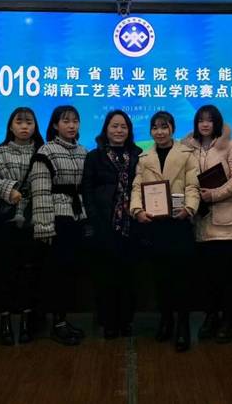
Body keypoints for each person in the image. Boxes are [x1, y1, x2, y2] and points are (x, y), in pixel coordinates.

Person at [130, 111, 200, 352]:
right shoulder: (144, 157)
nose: (159, 132)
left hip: (179, 224)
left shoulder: (186, 153)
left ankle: (183, 325)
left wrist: (189, 208)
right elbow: (137, 187)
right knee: (161, 277)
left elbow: (193, 186)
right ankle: (166, 320)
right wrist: (137, 210)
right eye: (155, 127)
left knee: (181, 278)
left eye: (164, 126)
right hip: (155, 226)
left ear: (172, 128)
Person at [182, 105, 232, 343]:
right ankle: (211, 317)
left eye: (209, 120)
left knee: (228, 278)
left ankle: (229, 321)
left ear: (217, 122)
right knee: (207, 278)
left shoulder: (231, 145)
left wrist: (214, 195)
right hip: (200, 222)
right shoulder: (188, 147)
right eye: (201, 120)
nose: (205, 124)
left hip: (226, 222)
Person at [30, 105, 88, 346]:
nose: (71, 125)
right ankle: (55, 324)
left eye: (75, 121)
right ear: (55, 125)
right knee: (55, 275)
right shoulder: (46, 151)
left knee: (70, 273)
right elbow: (40, 190)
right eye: (66, 121)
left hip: (77, 217)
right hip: (56, 218)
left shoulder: (83, 151)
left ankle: (62, 320)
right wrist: (44, 226)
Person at [82, 110, 143, 339]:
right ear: (106, 129)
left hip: (132, 224)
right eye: (114, 126)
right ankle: (108, 322)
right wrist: (95, 219)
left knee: (129, 276)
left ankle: (126, 321)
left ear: (129, 131)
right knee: (105, 276)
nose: (119, 130)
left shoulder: (138, 155)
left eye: (123, 127)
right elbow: (87, 190)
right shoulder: (94, 156)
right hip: (104, 224)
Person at [0, 107, 44, 346]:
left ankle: (27, 322)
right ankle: (6, 322)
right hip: (5, 219)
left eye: (29, 122)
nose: (24, 126)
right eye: (19, 122)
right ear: (10, 126)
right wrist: (8, 190)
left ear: (35, 126)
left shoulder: (43, 152)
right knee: (4, 272)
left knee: (30, 272)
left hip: (35, 217)